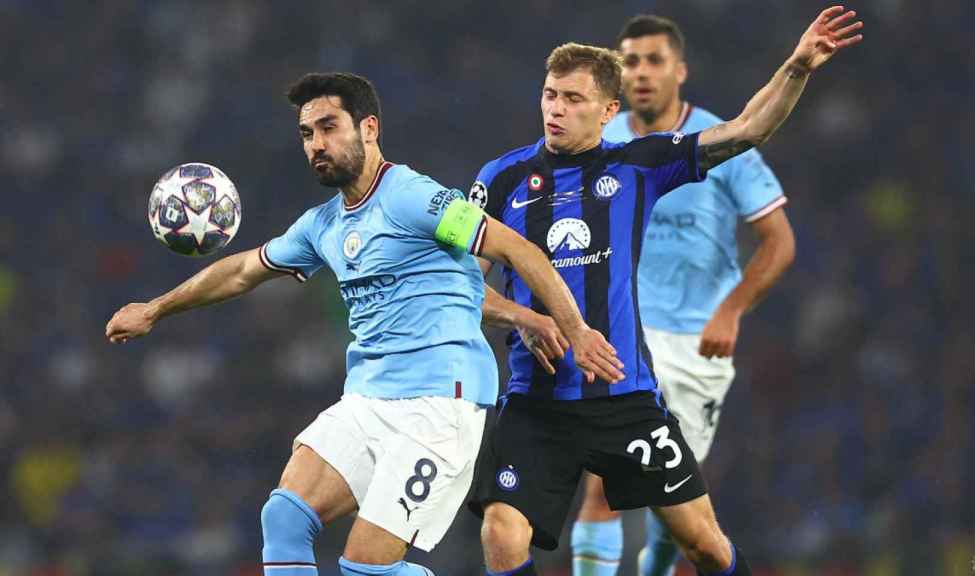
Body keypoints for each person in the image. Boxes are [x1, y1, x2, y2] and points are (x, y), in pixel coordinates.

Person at [105, 72, 623, 576]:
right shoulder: (322, 225)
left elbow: (515, 248)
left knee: (362, 567)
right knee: (283, 516)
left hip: (439, 406)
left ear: (368, 128)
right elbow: (242, 271)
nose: (316, 145)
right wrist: (156, 308)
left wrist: (574, 329)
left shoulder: (414, 197)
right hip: (368, 399)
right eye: (307, 134)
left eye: (329, 127)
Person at [465, 7, 862, 576]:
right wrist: (527, 321)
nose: (556, 108)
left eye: (574, 99)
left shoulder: (638, 164)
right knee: (501, 532)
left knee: (703, 544)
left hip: (625, 398)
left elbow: (747, 129)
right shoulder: (499, 178)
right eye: (550, 94)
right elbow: (462, 290)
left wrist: (796, 68)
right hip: (537, 404)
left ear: (608, 111)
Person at [570, 15, 796, 576]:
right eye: (629, 61)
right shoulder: (600, 140)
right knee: (601, 488)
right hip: (623, 338)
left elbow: (779, 241)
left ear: (680, 71)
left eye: (653, 60)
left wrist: (732, 309)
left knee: (674, 511)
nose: (639, 72)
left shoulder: (720, 140)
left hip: (697, 345)